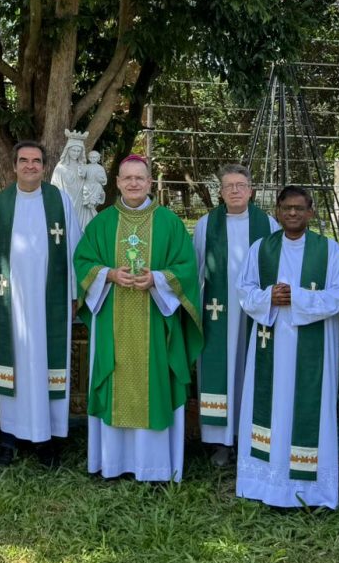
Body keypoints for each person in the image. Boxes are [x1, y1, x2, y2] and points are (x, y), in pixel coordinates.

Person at [73, 154, 202, 482]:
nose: (133, 183)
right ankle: (113, 464)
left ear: (149, 182)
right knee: (114, 377)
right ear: (117, 182)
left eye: (139, 178)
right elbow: (83, 263)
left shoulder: (170, 223)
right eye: (127, 178)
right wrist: (109, 274)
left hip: (155, 324)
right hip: (111, 322)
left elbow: (187, 269)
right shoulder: (101, 224)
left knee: (154, 383)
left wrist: (157, 279)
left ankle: (153, 467)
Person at [235, 186, 339, 508]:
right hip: (269, 344)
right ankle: (263, 481)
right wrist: (269, 297)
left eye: (300, 208)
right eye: (287, 208)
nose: (293, 214)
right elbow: (244, 291)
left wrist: (297, 298)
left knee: (308, 409)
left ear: (311, 212)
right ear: (278, 211)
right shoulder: (261, 249)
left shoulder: (329, 251)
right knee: (270, 407)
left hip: (312, 349)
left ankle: (310, 491)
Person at [0, 140, 81, 468]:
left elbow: (74, 251)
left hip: (49, 305)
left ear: (44, 167)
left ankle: (47, 438)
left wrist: (73, 295)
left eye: (36, 161)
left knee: (44, 366)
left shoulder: (60, 202)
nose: (29, 166)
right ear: (13, 166)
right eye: (23, 161)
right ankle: (9, 436)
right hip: (11, 303)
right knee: (15, 368)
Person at [193, 164, 278, 467]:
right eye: (228, 186)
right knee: (218, 370)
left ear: (251, 190)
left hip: (256, 312)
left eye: (240, 185)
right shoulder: (206, 225)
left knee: (253, 370)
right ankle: (218, 440)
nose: (235, 191)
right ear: (220, 192)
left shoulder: (268, 224)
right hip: (218, 312)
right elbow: (196, 267)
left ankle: (248, 437)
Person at [51, 129, 92, 227]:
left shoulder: (83, 167)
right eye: (73, 150)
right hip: (66, 204)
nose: (76, 153)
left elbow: (91, 184)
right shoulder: (60, 168)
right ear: (68, 150)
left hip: (82, 205)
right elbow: (54, 188)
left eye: (78, 151)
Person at [80, 150, 107, 226]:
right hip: (87, 185)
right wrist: (81, 170)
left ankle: (93, 205)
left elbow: (104, 180)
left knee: (97, 188)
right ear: (88, 158)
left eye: (94, 157)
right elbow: (83, 175)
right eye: (91, 157)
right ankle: (89, 217)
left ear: (98, 158)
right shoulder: (87, 166)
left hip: (96, 186)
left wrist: (101, 179)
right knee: (86, 201)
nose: (93, 159)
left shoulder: (100, 168)